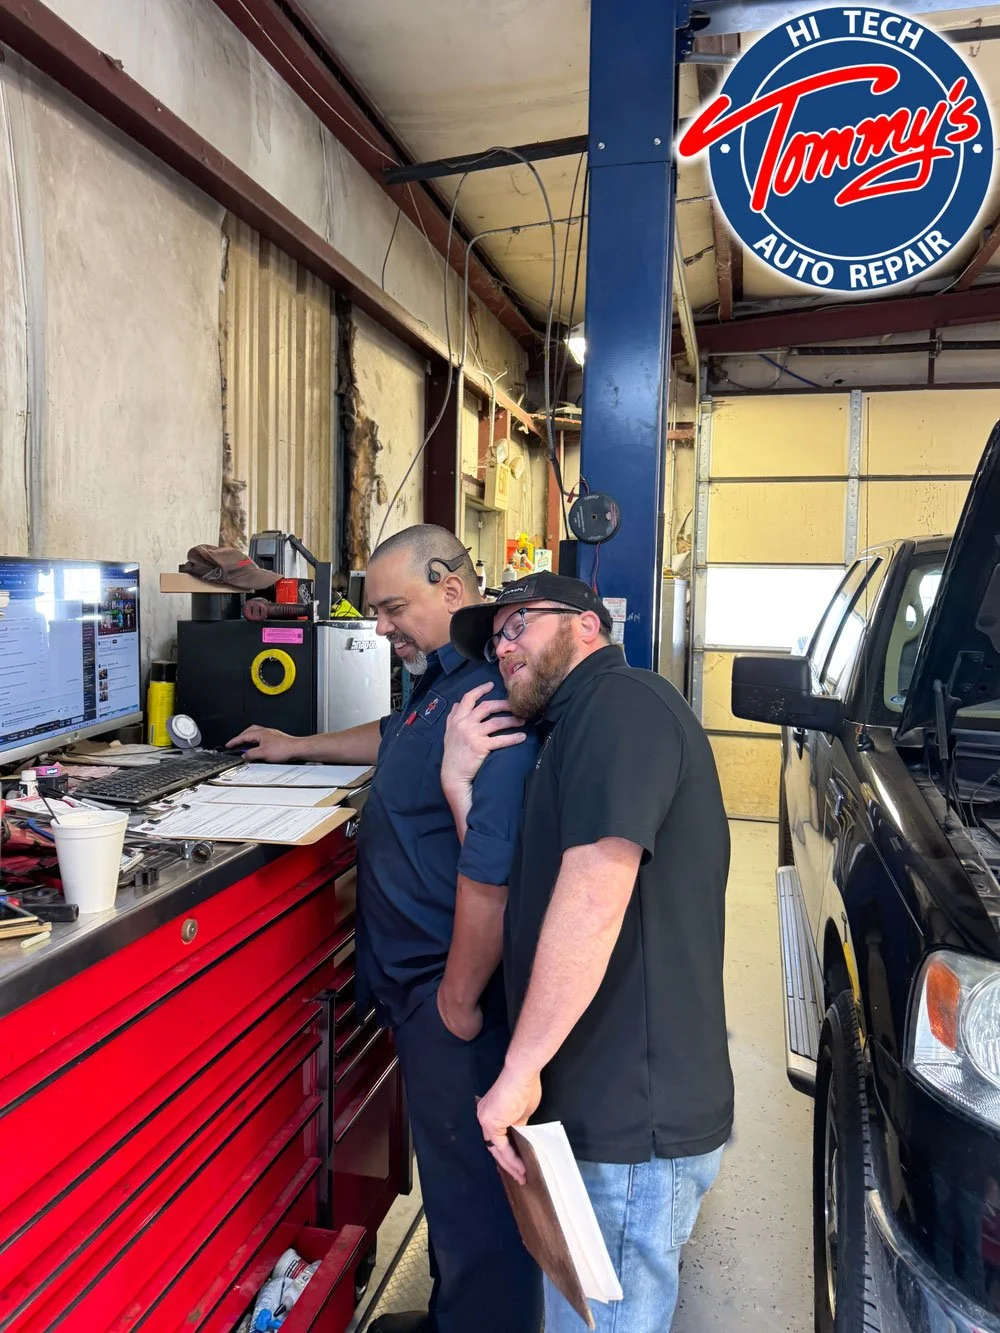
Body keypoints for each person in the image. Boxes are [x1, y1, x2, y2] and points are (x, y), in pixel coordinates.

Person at [228, 525, 542, 1333]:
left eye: (394, 607)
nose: (381, 628)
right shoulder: (435, 678)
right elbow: (393, 734)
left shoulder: (489, 694)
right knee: (449, 1174)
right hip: (417, 986)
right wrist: (299, 747)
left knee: (473, 1189)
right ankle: (453, 1311)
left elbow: (492, 870)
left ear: (450, 586)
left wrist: (458, 1000)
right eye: (375, 612)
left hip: (451, 986)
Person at [443, 570, 734, 1333]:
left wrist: (518, 1068)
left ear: (587, 625)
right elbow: (527, 879)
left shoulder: (624, 706)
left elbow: (592, 900)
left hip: (631, 1129)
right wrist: (456, 784)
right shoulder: (568, 731)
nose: (502, 647)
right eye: (493, 638)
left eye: (518, 625)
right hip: (595, 1114)